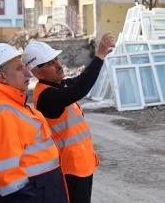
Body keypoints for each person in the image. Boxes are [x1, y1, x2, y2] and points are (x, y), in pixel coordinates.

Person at [22, 33, 115, 203]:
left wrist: (98, 61)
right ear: (36, 72)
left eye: (56, 59)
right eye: (50, 63)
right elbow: (80, 88)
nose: (58, 65)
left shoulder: (58, 85)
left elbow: (80, 80)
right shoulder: (46, 97)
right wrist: (99, 56)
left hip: (82, 165)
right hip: (69, 171)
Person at [0, 43, 68, 203]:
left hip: (41, 189)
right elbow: (10, 180)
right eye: (19, 69)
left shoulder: (13, 107)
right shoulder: (3, 114)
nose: (28, 74)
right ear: (2, 77)